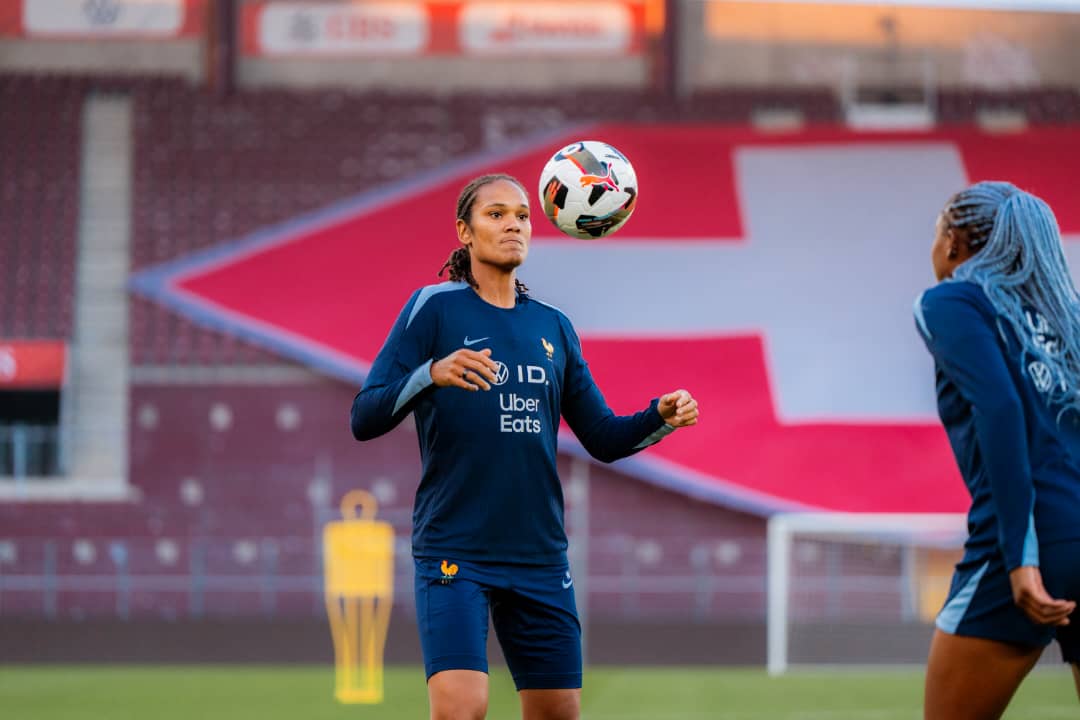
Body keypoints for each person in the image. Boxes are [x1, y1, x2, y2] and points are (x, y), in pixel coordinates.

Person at [350, 173, 699, 720]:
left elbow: (602, 438)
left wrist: (659, 416)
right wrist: (432, 374)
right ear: (464, 231)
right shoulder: (434, 308)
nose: (513, 223)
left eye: (521, 214)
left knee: (558, 712)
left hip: (538, 555)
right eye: (495, 214)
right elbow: (364, 416)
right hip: (455, 549)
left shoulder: (554, 328)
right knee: (463, 709)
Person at [914, 181, 1080, 719]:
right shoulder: (1065, 315)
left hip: (1033, 540)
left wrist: (1021, 557)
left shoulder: (952, 301)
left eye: (938, 228)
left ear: (955, 242)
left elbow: (1001, 410)